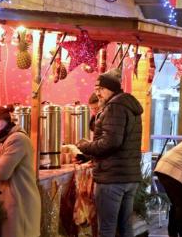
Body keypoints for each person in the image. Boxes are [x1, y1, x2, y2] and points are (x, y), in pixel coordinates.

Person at [77, 68, 143, 237]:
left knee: (107, 228)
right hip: (129, 176)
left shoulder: (115, 106)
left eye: (101, 89)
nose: (97, 93)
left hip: (112, 178)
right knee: (125, 227)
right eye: (96, 89)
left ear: (111, 89)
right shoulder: (128, 105)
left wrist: (84, 146)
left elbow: (111, 142)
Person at [0, 105, 41, 237]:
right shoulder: (10, 138)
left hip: (20, 205)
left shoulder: (17, 139)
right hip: (16, 202)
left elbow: (2, 172)